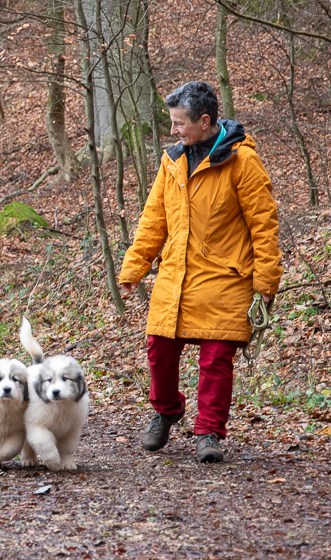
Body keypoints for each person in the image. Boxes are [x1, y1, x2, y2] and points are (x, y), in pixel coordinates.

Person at [118, 81, 282, 464]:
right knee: (159, 349)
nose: (173, 131)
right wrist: (135, 267)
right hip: (175, 275)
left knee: (216, 359)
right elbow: (153, 219)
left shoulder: (242, 161)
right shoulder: (171, 159)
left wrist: (266, 282)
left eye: (179, 124)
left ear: (204, 121)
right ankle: (166, 410)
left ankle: (208, 431)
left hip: (227, 278)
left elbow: (263, 224)